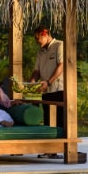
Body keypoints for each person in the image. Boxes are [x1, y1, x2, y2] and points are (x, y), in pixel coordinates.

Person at [29, 26, 64, 159]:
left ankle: (64, 150)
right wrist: (31, 82)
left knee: (61, 121)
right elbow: (37, 70)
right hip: (46, 91)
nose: (36, 40)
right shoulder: (40, 51)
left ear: (45, 34)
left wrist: (49, 82)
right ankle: (50, 151)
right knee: (48, 122)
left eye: (37, 38)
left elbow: (62, 65)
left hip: (59, 89)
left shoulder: (60, 45)